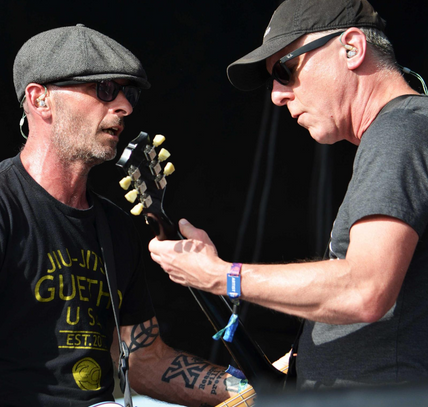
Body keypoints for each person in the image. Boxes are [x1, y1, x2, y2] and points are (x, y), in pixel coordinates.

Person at [0, 25, 244, 407]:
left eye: (128, 93)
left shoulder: (116, 227)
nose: (125, 106)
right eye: (104, 89)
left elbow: (146, 361)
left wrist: (250, 389)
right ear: (40, 100)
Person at [149, 0, 428, 390]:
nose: (277, 95)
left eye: (285, 69)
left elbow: (365, 289)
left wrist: (220, 276)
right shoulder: (401, 131)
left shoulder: (400, 131)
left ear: (351, 48)